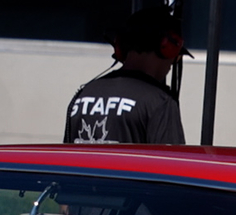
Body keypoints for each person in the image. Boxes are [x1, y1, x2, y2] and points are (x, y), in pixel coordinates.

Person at [63, 7, 189, 145]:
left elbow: (65, 155)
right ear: (167, 48)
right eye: (176, 57)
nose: (172, 64)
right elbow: (171, 158)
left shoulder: (82, 96)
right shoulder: (160, 102)